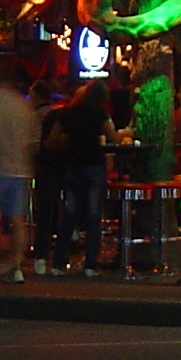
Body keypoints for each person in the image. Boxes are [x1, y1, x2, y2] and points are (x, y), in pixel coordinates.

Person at [0, 64, 39, 283]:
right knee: (17, 220)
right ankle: (16, 266)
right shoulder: (23, 104)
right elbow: (32, 139)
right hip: (19, 169)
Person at [50, 78, 114, 276]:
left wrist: (68, 141)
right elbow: (114, 138)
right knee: (94, 216)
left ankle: (59, 263)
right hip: (94, 165)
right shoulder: (100, 113)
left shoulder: (68, 112)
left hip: (73, 165)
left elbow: (52, 139)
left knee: (69, 215)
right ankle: (90, 264)